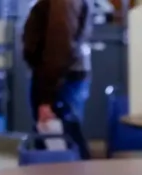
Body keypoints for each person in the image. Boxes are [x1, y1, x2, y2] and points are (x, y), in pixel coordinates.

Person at [22, 0, 93, 159]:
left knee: (62, 147)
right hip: (59, 76)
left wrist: (46, 98)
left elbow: (59, 45)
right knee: (62, 143)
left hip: (60, 80)